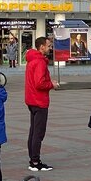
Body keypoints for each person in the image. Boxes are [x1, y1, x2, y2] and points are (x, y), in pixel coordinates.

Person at [24, 36, 58, 172]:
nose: (50, 48)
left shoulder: (32, 59)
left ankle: (33, 159)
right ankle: (35, 162)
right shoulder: (39, 62)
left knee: (33, 131)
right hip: (39, 101)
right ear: (41, 47)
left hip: (31, 100)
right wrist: (52, 84)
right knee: (38, 132)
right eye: (49, 46)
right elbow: (40, 83)